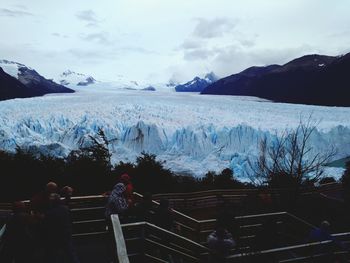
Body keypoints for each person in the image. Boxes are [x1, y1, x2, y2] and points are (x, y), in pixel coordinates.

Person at [43, 193, 80, 263]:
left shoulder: (50, 213)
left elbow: (47, 224)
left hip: (55, 236)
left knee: (54, 254)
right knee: (70, 253)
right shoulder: (65, 209)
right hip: (66, 233)